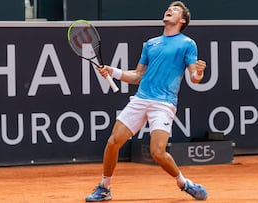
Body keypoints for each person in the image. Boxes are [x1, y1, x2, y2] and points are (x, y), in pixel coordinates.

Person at [86, 1, 207, 202]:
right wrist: (113, 71)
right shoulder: (150, 44)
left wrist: (199, 73)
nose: (169, 10)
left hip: (164, 103)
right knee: (113, 142)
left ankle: (184, 183)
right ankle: (104, 187)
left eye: (174, 10)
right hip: (141, 99)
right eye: (169, 8)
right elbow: (137, 76)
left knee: (157, 152)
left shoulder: (187, 43)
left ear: (182, 20)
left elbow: (194, 77)